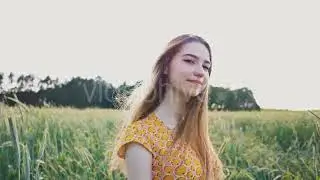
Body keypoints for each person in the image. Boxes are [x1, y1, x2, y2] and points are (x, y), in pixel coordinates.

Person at [109, 34, 224, 180]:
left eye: (206, 66)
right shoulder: (141, 136)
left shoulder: (195, 130)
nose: (200, 71)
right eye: (189, 61)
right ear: (165, 67)